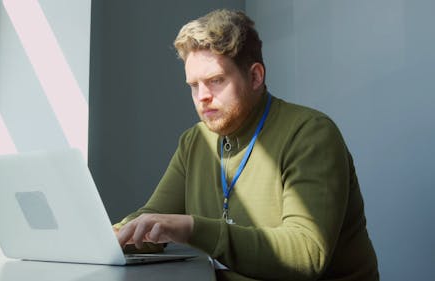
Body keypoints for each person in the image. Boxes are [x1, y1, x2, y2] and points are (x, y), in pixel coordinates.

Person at [114, 9, 379, 281]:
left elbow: (307, 254)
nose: (202, 97)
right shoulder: (195, 141)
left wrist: (193, 228)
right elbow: (154, 219)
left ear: (255, 77)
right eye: (194, 85)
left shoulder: (311, 134)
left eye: (216, 81)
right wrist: (110, 236)